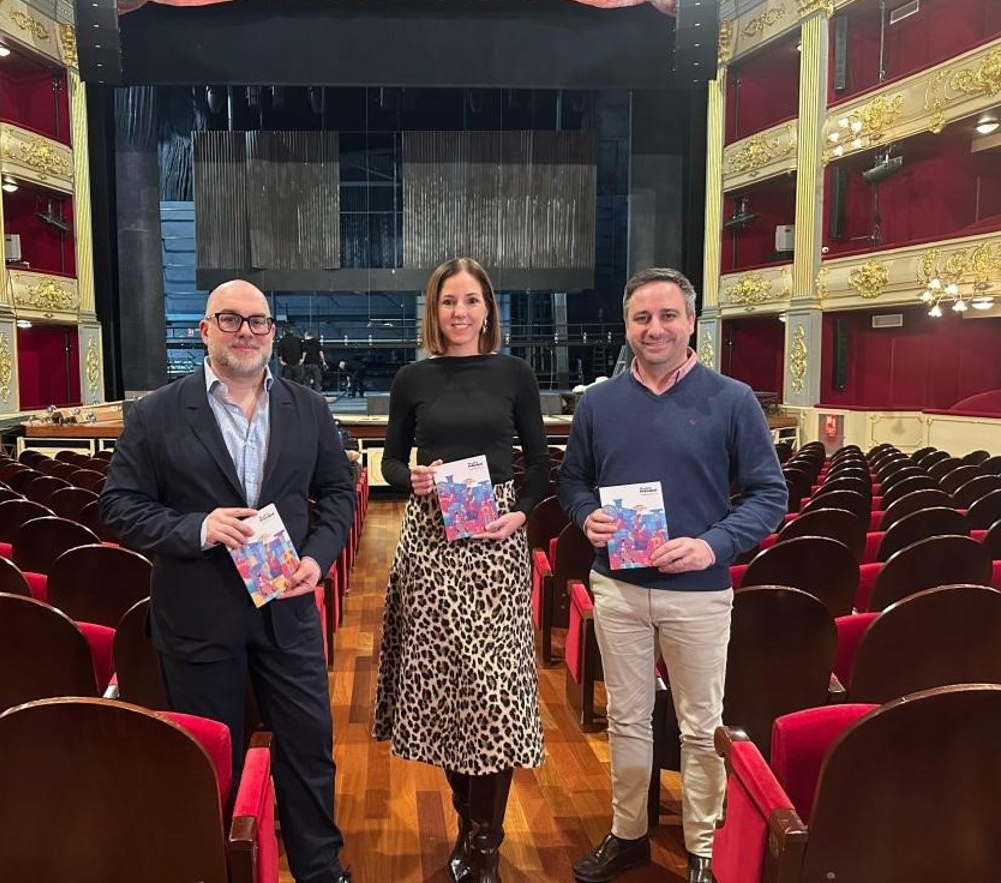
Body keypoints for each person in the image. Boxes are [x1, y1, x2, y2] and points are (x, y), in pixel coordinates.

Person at [99, 280, 356, 883]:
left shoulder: (308, 408)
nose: (246, 331)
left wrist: (318, 559)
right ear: (205, 330)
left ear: (272, 331)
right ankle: (222, 868)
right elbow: (118, 506)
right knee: (212, 755)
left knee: (308, 744)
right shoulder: (157, 412)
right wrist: (198, 527)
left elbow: (338, 493)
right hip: (197, 613)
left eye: (257, 321)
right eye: (230, 319)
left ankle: (319, 866)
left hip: (287, 606)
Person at [557, 268, 787, 883]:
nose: (654, 328)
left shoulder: (733, 399)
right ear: (627, 325)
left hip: (699, 594)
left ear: (690, 322)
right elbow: (572, 480)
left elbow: (769, 494)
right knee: (627, 718)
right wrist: (584, 515)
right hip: (618, 588)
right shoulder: (599, 402)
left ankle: (703, 845)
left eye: (667, 316)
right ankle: (628, 833)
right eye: (642, 317)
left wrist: (714, 546)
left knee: (701, 724)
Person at [373, 257, 549, 883]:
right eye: (449, 301)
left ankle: (485, 844)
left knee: (494, 693)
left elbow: (540, 464)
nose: (460, 312)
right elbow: (391, 461)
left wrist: (520, 514)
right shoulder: (412, 379)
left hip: (496, 542)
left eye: (472, 300)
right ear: (435, 309)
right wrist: (412, 478)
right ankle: (468, 826)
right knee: (445, 690)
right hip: (430, 541)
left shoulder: (515, 374)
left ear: (488, 309)